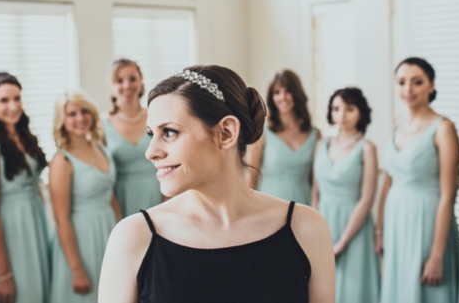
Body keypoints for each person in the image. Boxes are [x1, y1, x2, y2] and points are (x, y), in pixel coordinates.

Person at [98, 65, 335, 303]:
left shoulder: (306, 229)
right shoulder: (133, 237)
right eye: (151, 134)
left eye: (169, 132)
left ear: (226, 133)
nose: (151, 152)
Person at [376, 57, 459, 303]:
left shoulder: (443, 128)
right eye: (402, 82)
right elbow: (389, 180)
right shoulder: (397, 121)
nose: (408, 89)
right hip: (395, 219)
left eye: (417, 82)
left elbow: (449, 193)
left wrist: (436, 255)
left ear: (431, 85)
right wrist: (379, 229)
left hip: (428, 219)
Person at [0, 72, 50, 303]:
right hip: (6, 231)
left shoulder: (22, 134)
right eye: (4, 100)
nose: (13, 106)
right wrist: (3, 274)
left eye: (17, 98)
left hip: (32, 225)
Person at [49, 90, 122, 303]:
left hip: (107, 229)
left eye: (83, 111)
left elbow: (112, 197)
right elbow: (61, 218)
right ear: (62, 121)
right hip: (82, 239)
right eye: (72, 114)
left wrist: (121, 236)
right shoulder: (62, 161)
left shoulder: (100, 147)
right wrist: (76, 268)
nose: (80, 118)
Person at [311, 87, 379, 303]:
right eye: (336, 108)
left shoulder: (367, 148)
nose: (341, 114)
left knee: (352, 291)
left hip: (354, 228)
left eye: (349, 109)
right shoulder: (321, 144)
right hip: (323, 222)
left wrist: (341, 243)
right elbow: (315, 190)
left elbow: (367, 199)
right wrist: (313, 228)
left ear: (361, 113)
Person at [246, 69, 319, 205]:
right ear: (271, 97)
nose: (283, 97)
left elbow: (317, 179)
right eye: (277, 92)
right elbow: (251, 176)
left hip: (304, 204)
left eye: (288, 91)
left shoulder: (315, 134)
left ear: (297, 94)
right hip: (270, 204)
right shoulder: (262, 132)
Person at [102, 59, 161, 216]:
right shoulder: (102, 124)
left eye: (132, 79)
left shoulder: (155, 116)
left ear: (141, 81)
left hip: (157, 192)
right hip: (122, 198)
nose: (127, 85)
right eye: (120, 80)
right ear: (112, 85)